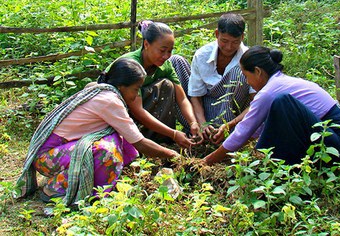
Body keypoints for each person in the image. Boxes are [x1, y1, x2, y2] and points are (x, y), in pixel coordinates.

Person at [17, 58, 179, 205]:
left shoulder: (102, 90)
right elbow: (140, 143)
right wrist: (173, 155)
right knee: (106, 152)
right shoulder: (109, 101)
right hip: (47, 158)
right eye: (136, 89)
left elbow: (129, 137)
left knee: (116, 137)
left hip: (60, 151)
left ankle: (112, 177)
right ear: (122, 86)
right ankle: (59, 188)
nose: (137, 95)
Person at [204, 46, 340, 165]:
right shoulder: (278, 83)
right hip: (329, 139)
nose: (247, 82)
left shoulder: (270, 92)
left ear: (257, 72)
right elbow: (254, 129)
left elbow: (243, 132)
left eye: (246, 76)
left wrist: (206, 161)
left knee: (282, 101)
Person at [107, 21, 201, 148]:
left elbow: (182, 98)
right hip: (116, 112)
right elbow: (138, 111)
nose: (166, 56)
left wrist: (193, 123)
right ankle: (140, 143)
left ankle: (161, 141)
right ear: (146, 44)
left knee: (167, 85)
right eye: (162, 50)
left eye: (170, 51)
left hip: (139, 107)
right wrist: (173, 134)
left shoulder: (165, 65)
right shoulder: (132, 65)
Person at [188, 13, 255, 142]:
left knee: (238, 73)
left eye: (235, 42)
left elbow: (256, 102)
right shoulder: (202, 55)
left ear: (242, 37)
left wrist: (230, 125)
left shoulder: (248, 59)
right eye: (224, 41)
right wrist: (203, 124)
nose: (229, 47)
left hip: (236, 118)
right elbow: (195, 95)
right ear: (217, 34)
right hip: (207, 111)